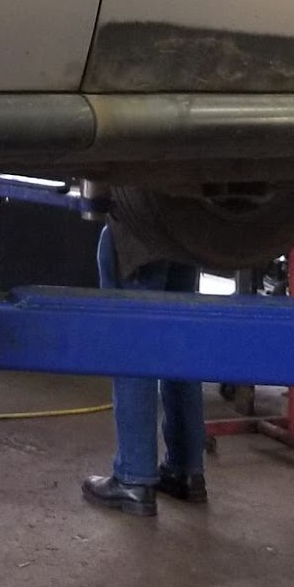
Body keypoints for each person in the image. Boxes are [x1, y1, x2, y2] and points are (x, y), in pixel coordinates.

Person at [81, 189, 208, 517]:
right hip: (189, 223)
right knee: (179, 347)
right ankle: (186, 470)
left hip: (141, 224)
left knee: (132, 346)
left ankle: (133, 478)